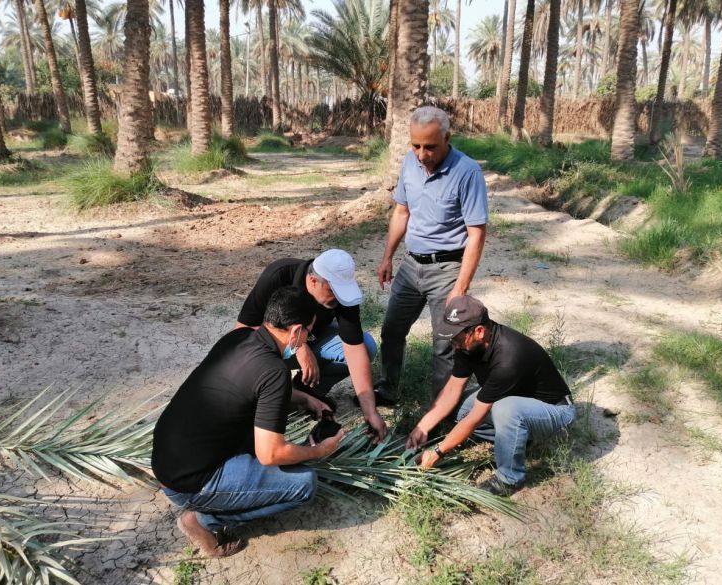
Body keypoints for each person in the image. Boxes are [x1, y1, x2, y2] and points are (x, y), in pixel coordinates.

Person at [152, 287, 344, 557]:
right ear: (296, 331)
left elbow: (252, 386)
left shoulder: (239, 337)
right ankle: (202, 521)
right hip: (190, 484)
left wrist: (304, 399)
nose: (307, 340)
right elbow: (271, 454)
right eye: (308, 334)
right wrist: (318, 451)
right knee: (304, 484)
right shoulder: (274, 372)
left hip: (166, 461)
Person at [375, 106, 489, 405]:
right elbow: (402, 211)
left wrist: (460, 288)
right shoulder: (410, 165)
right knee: (392, 331)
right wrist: (388, 257)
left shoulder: (467, 172)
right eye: (416, 146)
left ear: (447, 137)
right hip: (411, 266)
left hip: (448, 268)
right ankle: (387, 390)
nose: (422, 154)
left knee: (444, 344)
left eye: (430, 147)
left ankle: (439, 411)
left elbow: (476, 233)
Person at [406, 296, 576, 495]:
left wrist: (438, 452)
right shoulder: (467, 344)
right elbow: (452, 390)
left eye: (457, 338)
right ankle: (517, 439)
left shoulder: (509, 357)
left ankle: (510, 478)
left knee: (507, 410)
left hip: (555, 411)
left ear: (478, 331)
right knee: (456, 408)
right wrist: (423, 426)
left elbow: (475, 417)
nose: (454, 344)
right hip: (515, 397)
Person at [236, 249, 387, 441]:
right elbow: (243, 332)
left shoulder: (342, 294)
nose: (339, 298)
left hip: (311, 339)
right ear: (314, 281)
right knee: (267, 373)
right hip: (274, 348)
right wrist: (299, 346)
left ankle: (305, 393)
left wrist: (370, 411)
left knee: (367, 346)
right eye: (333, 291)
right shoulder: (279, 275)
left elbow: (355, 349)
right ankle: (274, 395)